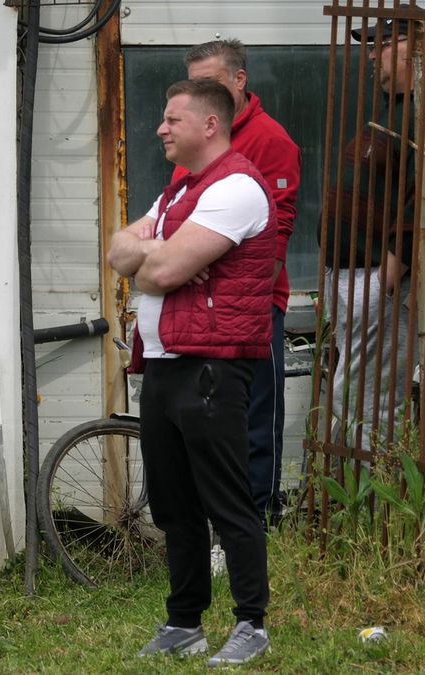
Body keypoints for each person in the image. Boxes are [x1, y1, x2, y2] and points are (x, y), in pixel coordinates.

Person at [107, 79, 276, 667]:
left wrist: (159, 257)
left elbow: (165, 270)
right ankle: (185, 623)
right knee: (174, 506)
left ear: (210, 125)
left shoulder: (235, 188)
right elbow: (118, 251)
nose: (160, 128)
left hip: (212, 367)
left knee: (229, 503)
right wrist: (155, 257)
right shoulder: (181, 188)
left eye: (172, 119)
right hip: (161, 364)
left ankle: (252, 623)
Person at [176, 39, 301, 526]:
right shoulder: (198, 135)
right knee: (210, 416)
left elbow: (278, 233)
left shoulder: (271, 140)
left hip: (252, 303)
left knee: (255, 414)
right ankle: (215, 527)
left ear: (239, 80)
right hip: (199, 300)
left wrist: (250, 293)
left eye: (209, 82)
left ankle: (257, 524)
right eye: (194, 84)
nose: (201, 92)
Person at [326, 10, 425, 452]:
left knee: (365, 404)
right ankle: (360, 506)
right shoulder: (396, 109)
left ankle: (373, 507)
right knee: (349, 397)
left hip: (376, 279)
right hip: (354, 279)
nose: (372, 56)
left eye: (380, 44)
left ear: (416, 45)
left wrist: (386, 281)